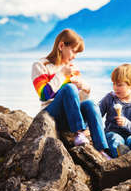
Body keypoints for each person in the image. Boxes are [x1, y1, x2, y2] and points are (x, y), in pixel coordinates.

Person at [31, 29, 111, 160]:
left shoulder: (72, 68)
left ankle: (101, 150)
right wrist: (62, 74)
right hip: (50, 114)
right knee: (69, 88)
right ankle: (79, 133)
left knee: (90, 104)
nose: (74, 56)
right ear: (61, 46)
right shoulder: (40, 65)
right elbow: (44, 95)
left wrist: (85, 90)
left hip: (69, 116)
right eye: (73, 51)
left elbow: (77, 101)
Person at [99, 63, 131, 158]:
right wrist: (87, 127)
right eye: (114, 84)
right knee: (114, 138)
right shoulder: (110, 98)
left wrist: (126, 123)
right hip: (112, 132)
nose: (115, 88)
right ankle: (121, 153)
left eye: (119, 85)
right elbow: (96, 113)